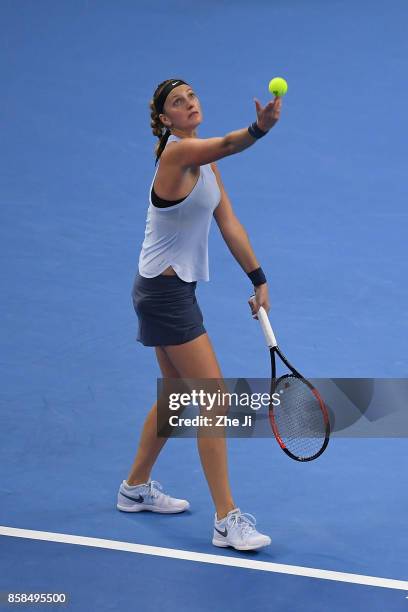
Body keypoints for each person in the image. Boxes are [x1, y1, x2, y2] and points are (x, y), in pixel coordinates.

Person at [116, 78, 282, 551]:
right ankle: (226, 519)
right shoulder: (176, 155)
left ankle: (134, 488)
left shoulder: (201, 159)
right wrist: (260, 128)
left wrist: (258, 277)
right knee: (214, 400)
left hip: (167, 291)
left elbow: (227, 220)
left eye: (191, 96)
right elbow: (232, 142)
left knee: (175, 397)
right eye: (177, 102)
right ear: (165, 119)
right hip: (164, 297)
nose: (189, 104)